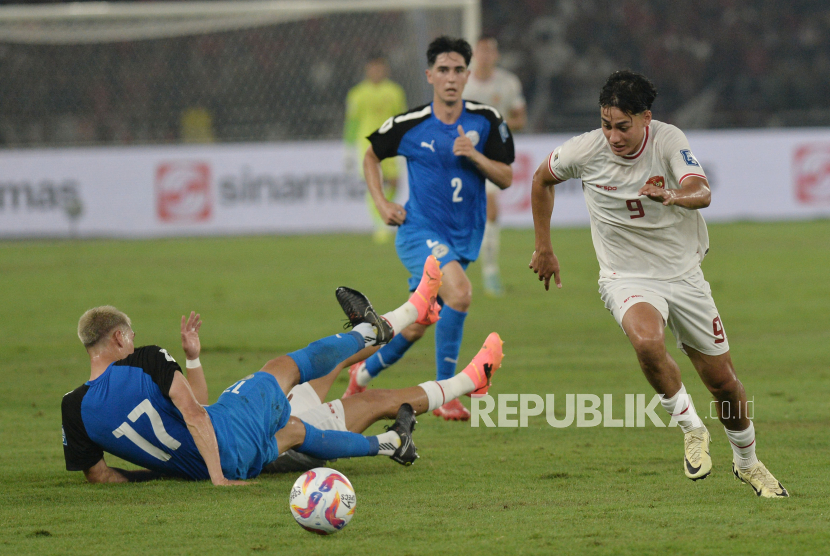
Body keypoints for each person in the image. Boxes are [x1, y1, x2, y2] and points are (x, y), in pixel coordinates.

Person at [529, 70, 788, 498]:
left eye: (623, 126)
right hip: (625, 276)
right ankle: (691, 428)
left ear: (645, 118)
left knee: (723, 383)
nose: (612, 136)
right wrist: (544, 247)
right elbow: (541, 179)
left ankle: (748, 464)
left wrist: (671, 195)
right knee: (647, 342)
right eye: (606, 124)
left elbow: (700, 191)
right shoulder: (584, 150)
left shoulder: (668, 140)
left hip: (682, 274)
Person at [61, 258, 444, 485]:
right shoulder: (145, 359)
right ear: (120, 336)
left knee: (293, 431)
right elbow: (195, 412)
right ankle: (372, 328)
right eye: (129, 336)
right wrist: (217, 478)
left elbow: (101, 477)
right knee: (283, 368)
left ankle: (390, 444)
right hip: (226, 439)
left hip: (220, 462)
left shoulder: (72, 407)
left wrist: (168, 473)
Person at [343, 36, 515, 421]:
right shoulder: (411, 124)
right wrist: (382, 204)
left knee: (418, 325)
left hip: (463, 237)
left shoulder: (487, 121)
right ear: (430, 75)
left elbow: (505, 178)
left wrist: (475, 157)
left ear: (468, 75)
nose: (450, 78)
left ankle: (362, 371)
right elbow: (371, 155)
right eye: (443, 70)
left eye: (458, 70)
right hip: (419, 231)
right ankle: (445, 394)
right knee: (461, 293)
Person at [462, 35, 527, 297]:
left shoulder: (508, 82)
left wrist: (496, 125)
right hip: (461, 154)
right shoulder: (462, 83)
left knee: (490, 210)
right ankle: (443, 273)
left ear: (496, 54)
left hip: (492, 156)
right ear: (475, 53)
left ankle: (490, 273)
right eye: (482, 50)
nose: (486, 54)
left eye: (491, 50)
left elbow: (520, 119)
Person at [344, 54, 408, 244]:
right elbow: (352, 122)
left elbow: (401, 119)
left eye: (380, 68)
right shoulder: (357, 93)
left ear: (385, 69)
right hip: (367, 143)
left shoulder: (395, 91)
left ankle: (384, 210)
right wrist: (348, 149)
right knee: (375, 183)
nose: (376, 71)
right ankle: (379, 224)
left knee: (395, 183)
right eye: (373, 68)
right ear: (367, 69)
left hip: (390, 143)